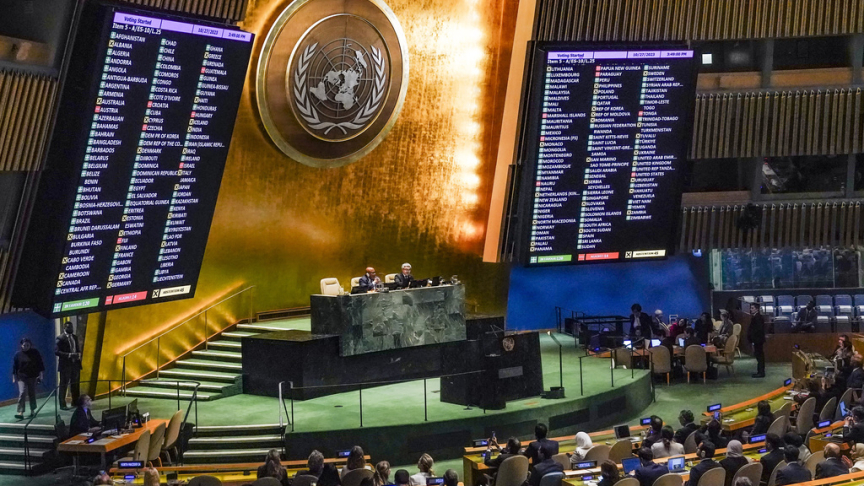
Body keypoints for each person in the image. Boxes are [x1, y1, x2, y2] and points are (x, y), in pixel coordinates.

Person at [12, 338, 44, 420]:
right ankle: (21, 412)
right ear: (21, 345)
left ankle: (32, 410)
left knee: (31, 393)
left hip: (32, 376)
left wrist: (41, 375)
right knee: (22, 392)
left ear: (30, 345)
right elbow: (15, 367)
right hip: (21, 376)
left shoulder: (35, 353)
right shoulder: (17, 355)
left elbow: (40, 364)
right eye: (24, 345)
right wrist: (13, 377)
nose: (26, 347)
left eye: (27, 345)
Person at [56, 322, 82, 409]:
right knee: (64, 385)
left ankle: (75, 402)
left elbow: (77, 348)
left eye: (72, 327)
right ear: (65, 328)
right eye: (69, 327)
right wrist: (69, 355)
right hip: (65, 365)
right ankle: (62, 404)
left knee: (75, 384)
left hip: (75, 364)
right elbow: (57, 351)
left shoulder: (75, 337)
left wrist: (78, 354)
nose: (71, 329)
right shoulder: (60, 338)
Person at [747, 303, 766, 378]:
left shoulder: (758, 317)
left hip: (758, 340)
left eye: (752, 308)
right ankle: (760, 371)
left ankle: (761, 372)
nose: (751, 309)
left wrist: (753, 338)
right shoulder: (756, 317)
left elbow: (758, 329)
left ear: (757, 309)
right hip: (757, 339)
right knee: (758, 355)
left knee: (759, 356)